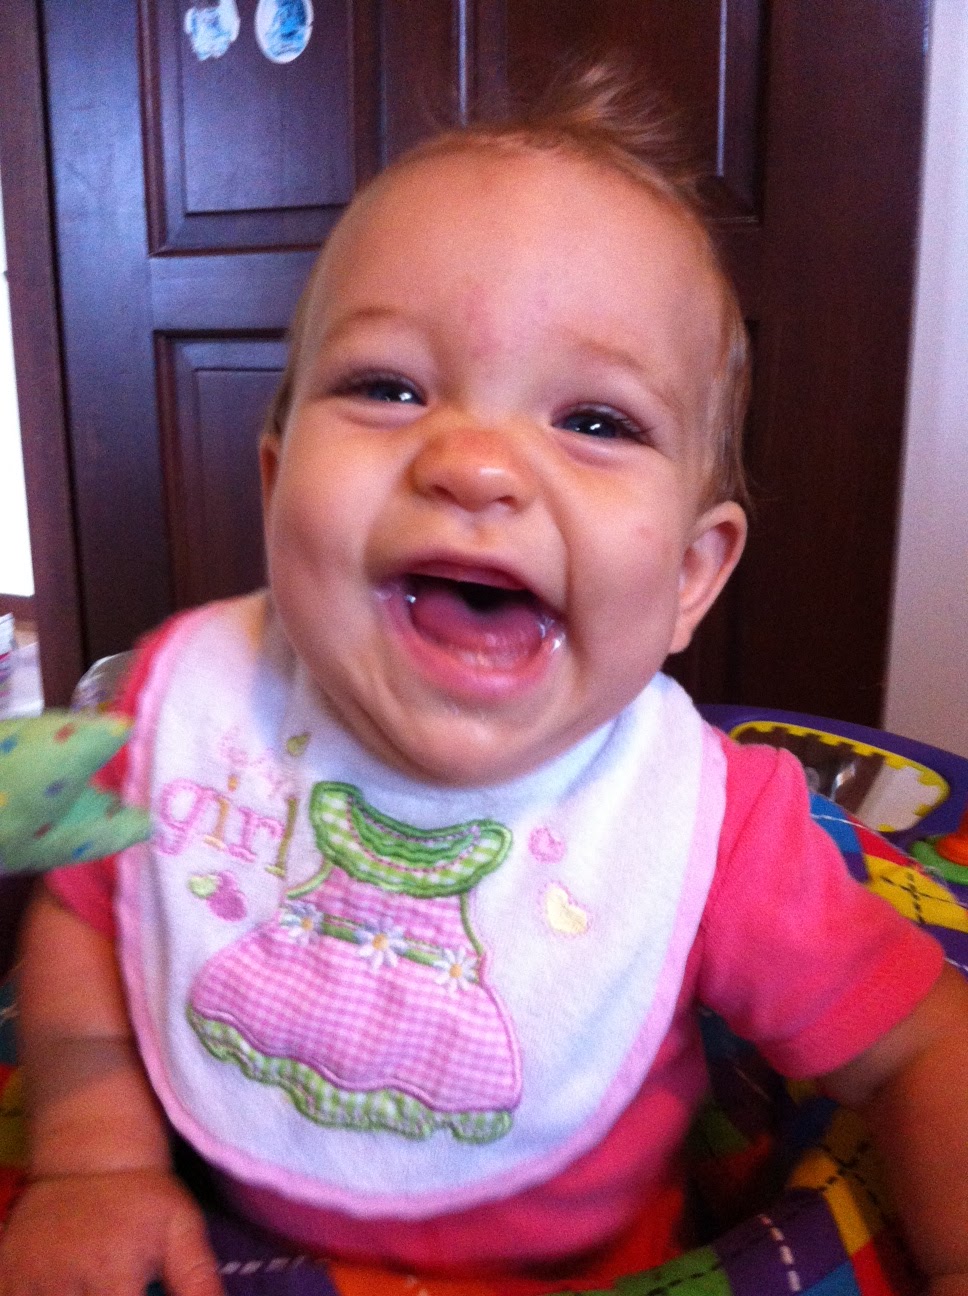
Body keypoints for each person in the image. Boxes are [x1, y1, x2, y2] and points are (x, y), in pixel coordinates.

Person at [2, 65, 968, 1296]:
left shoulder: (707, 832)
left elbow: (920, 1049)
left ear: (688, 575)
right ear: (275, 485)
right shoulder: (181, 711)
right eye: (387, 387)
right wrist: (92, 1161)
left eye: (596, 421)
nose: (472, 463)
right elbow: (88, 918)